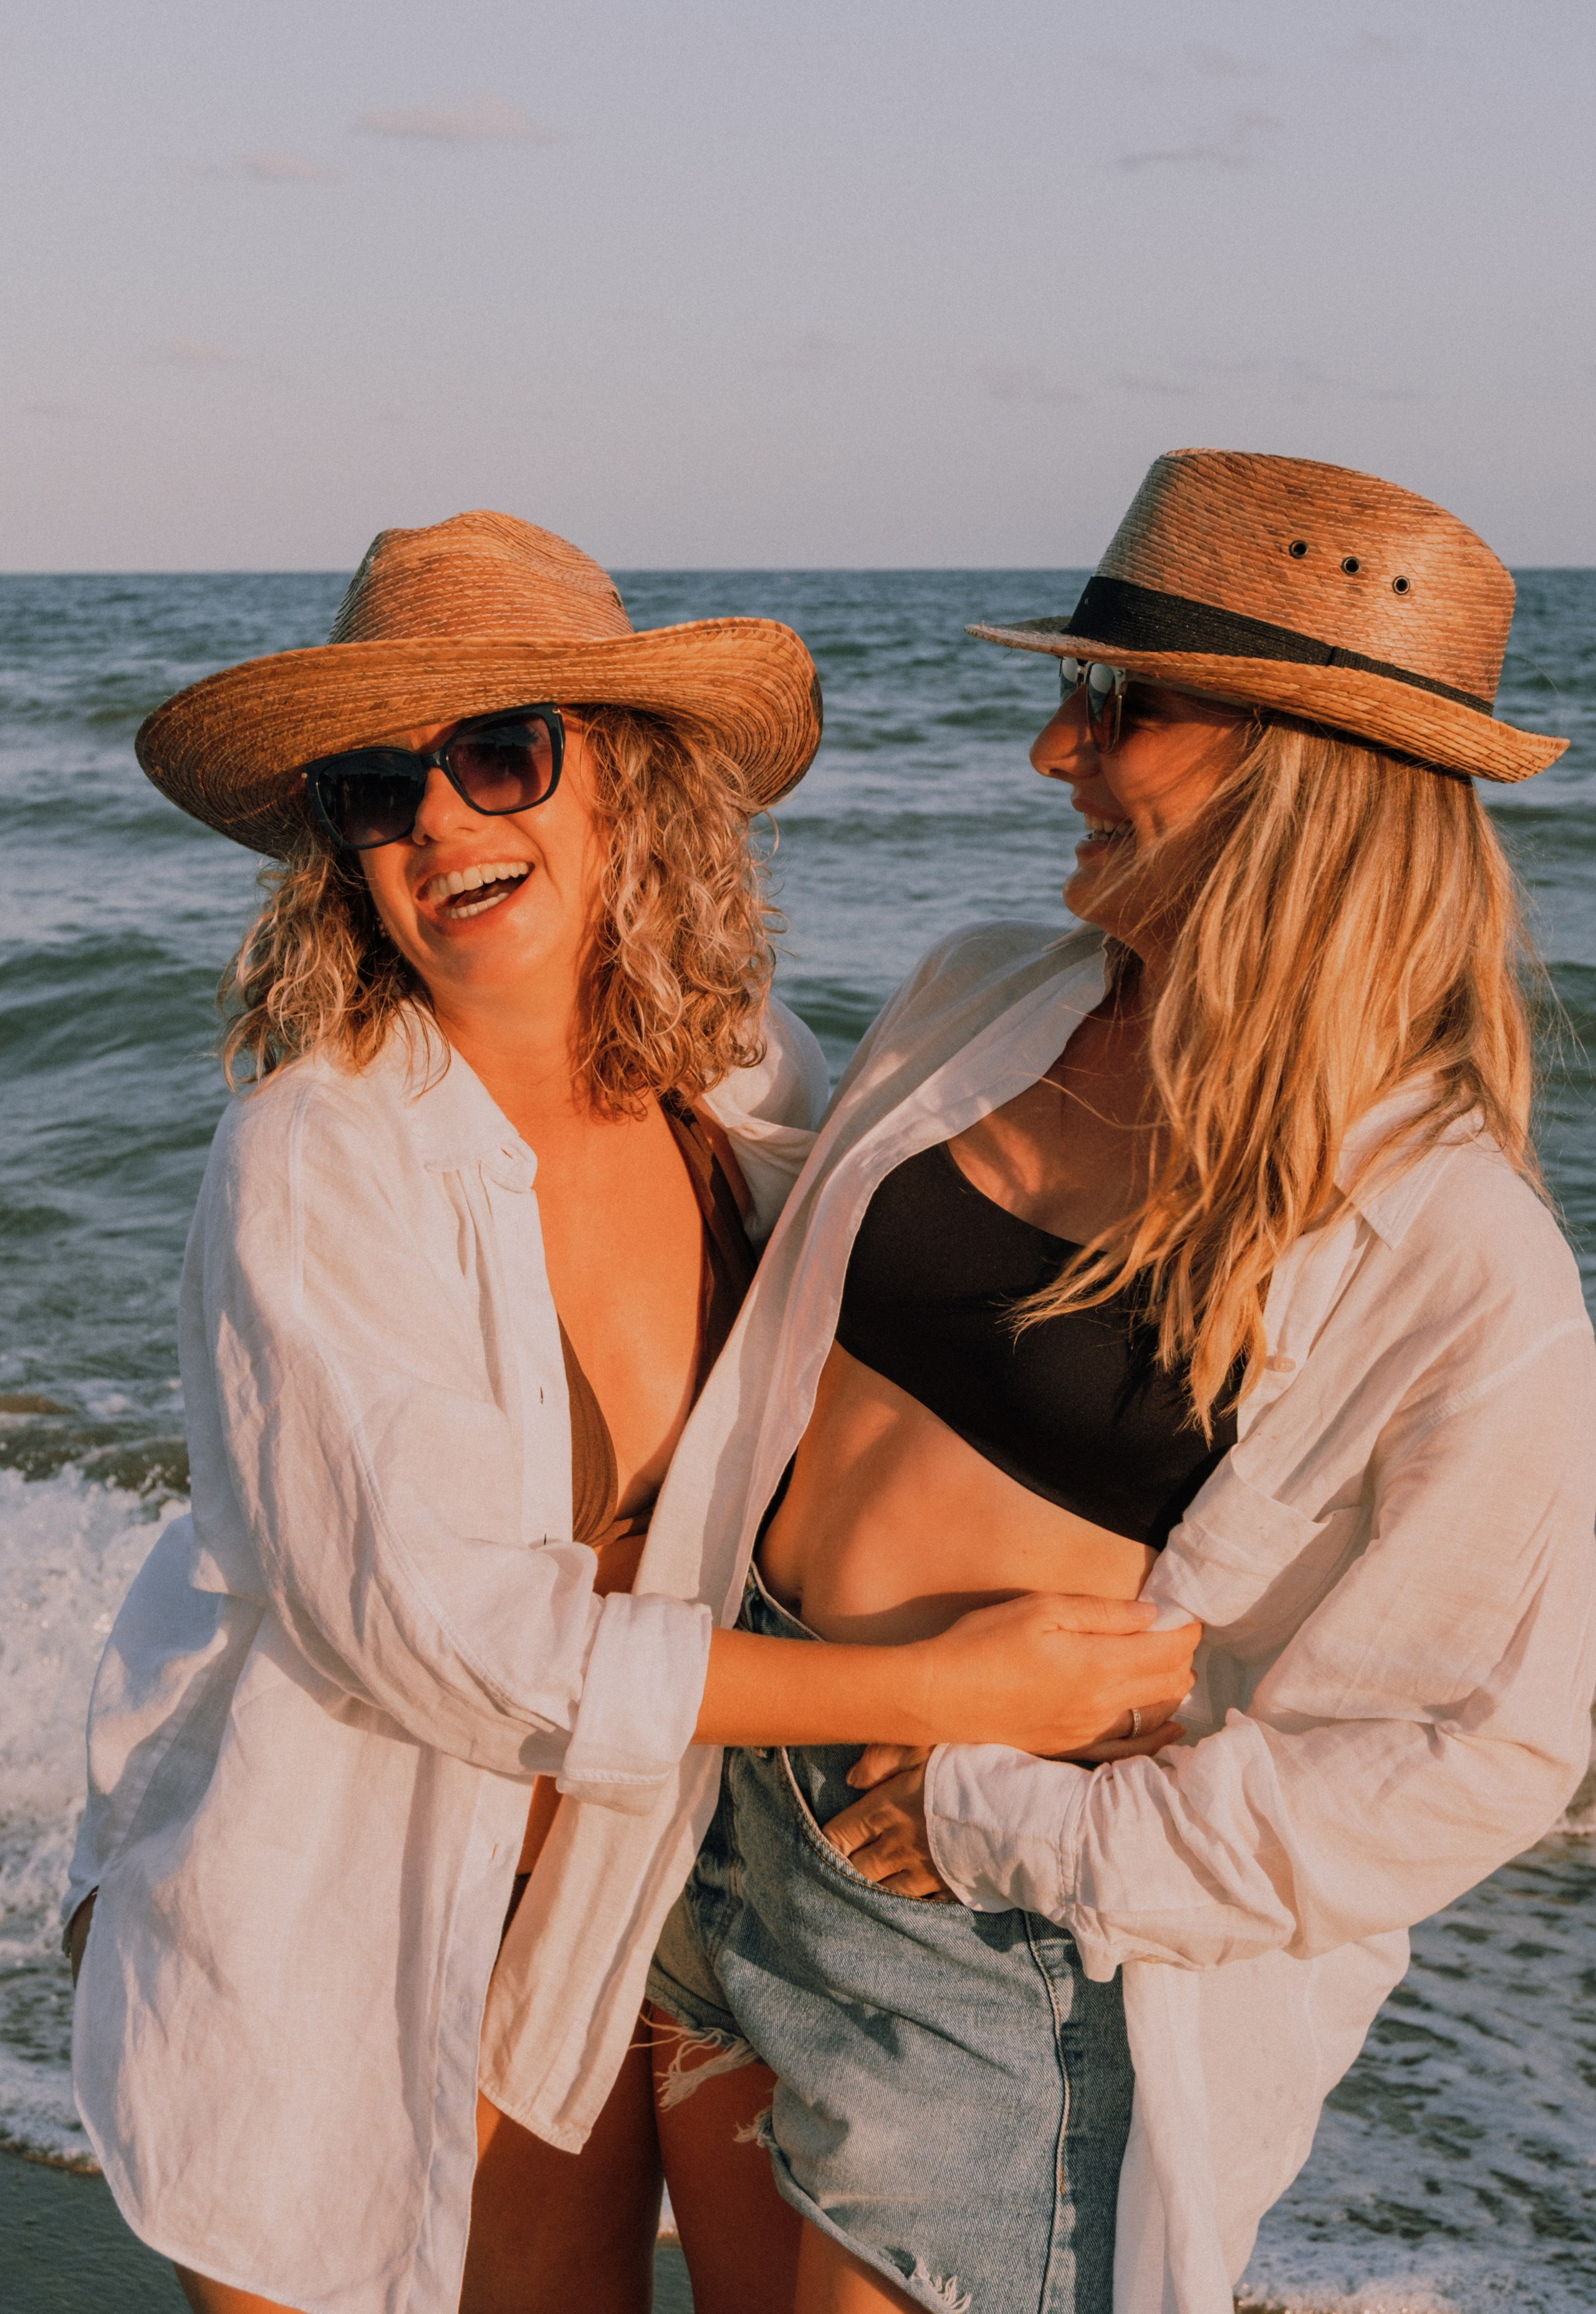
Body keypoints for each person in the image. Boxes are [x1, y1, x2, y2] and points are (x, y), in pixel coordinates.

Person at [65, 510, 1193, 2314]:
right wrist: (942, 1692)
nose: (439, 820)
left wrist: (1126, 1687)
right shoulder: (319, 1157)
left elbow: (908, 1417)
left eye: (498, 754)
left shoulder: (742, 1083)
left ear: (628, 787)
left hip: (664, 1899)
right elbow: (443, 1639)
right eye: (377, 790)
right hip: (361, 1923)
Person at [632, 451, 1596, 2314]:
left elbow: (1484, 1749)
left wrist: (1023, 1827)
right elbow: (765, 1201)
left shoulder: (1454, 1248)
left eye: (1113, 703)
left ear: (1302, 773)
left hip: (975, 1913)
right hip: (729, 1771)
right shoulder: (988, 987)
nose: (1051, 754)